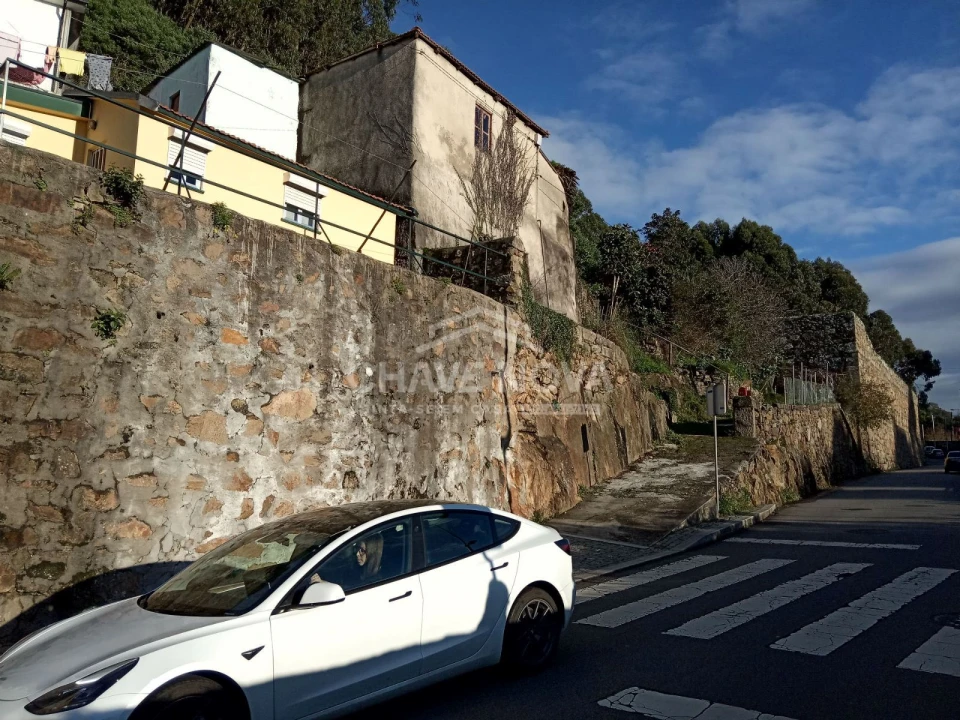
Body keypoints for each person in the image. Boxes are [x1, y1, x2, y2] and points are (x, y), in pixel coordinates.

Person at [310, 533, 383, 588]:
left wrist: (323, 583)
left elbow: (346, 592)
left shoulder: (376, 581)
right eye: (357, 548)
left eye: (362, 550)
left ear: (372, 552)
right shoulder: (353, 570)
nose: (357, 554)